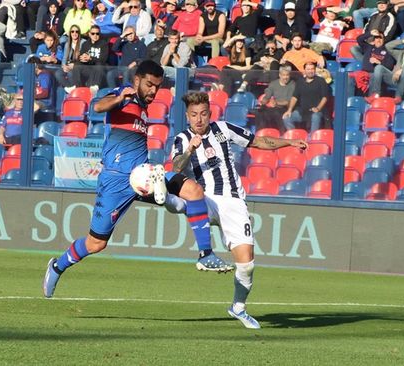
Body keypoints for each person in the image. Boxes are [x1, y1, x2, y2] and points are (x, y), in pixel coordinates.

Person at [43, 60, 235, 299]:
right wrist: (119, 98)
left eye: (157, 86)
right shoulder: (123, 97)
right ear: (136, 81)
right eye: (149, 85)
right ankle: (57, 266)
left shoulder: (144, 109)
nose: (154, 91)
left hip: (143, 175)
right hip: (115, 182)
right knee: (96, 244)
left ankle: (206, 254)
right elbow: (97, 107)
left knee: (193, 192)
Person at [168, 91, 308, 329]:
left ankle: (238, 308)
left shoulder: (223, 128)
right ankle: (163, 197)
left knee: (247, 264)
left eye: (203, 114)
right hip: (206, 198)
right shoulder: (182, 139)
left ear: (210, 113)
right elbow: (176, 165)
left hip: (233, 202)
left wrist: (289, 142)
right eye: (194, 115)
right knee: (185, 197)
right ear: (187, 116)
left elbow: (259, 141)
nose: (199, 119)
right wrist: (191, 149)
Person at [282, 61, 328, 132]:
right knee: (286, 118)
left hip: (316, 111)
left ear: (315, 70)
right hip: (302, 111)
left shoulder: (321, 81)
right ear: (305, 71)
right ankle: (295, 137)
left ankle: (312, 138)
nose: (310, 71)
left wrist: (318, 108)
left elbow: (324, 97)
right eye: (308, 69)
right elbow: (295, 97)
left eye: (312, 69)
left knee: (315, 117)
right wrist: (289, 110)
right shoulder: (300, 81)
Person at [256, 66, 295, 132]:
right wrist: (264, 101)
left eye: (287, 75)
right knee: (260, 113)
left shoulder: (292, 84)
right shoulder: (273, 83)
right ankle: (260, 133)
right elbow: (268, 95)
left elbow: (288, 101)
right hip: (273, 107)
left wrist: (276, 103)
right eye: (283, 75)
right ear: (280, 75)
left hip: (285, 108)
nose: (285, 77)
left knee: (276, 112)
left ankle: (281, 134)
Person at [72, 25, 108, 93]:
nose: (95, 35)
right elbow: (81, 57)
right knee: (77, 65)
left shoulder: (104, 44)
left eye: (97, 33)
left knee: (99, 65)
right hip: (88, 68)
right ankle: (77, 87)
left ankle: (95, 86)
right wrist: (82, 58)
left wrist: (90, 58)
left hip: (99, 71)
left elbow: (103, 59)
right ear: (89, 34)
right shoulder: (85, 44)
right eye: (93, 33)